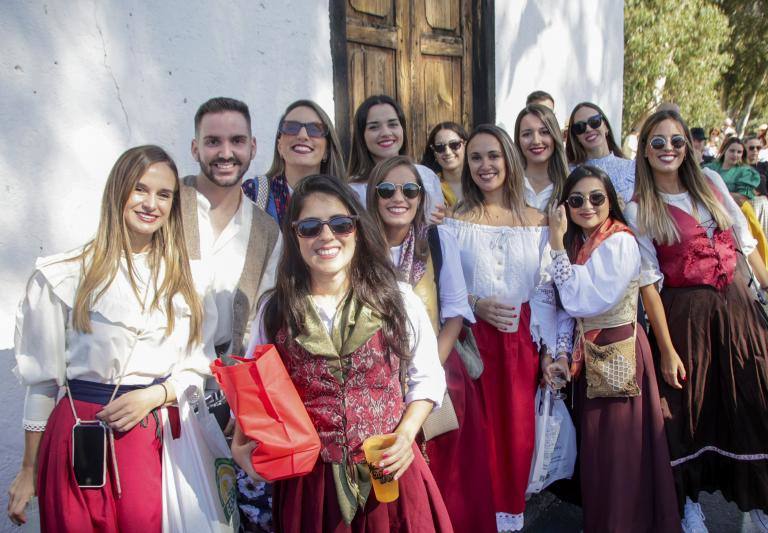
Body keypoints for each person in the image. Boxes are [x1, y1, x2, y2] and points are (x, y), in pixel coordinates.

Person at [7, 146, 217, 531]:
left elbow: (199, 367)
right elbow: (41, 381)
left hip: (145, 434)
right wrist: (27, 468)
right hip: (74, 432)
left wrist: (156, 395)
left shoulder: (187, 280)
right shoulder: (65, 274)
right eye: (140, 189)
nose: (151, 203)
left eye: (164, 194)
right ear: (118, 191)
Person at [231, 175, 453, 532]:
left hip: (391, 473)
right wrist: (242, 444)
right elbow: (256, 391)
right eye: (309, 227)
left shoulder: (396, 299)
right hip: (311, 486)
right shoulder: (275, 309)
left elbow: (426, 377)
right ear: (295, 236)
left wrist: (407, 434)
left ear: (357, 229)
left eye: (339, 224)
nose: (326, 236)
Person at [624, 109, 768, 533]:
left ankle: (761, 500)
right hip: (687, 319)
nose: (669, 149)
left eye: (677, 141)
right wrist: (665, 349)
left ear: (689, 147)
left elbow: (744, 241)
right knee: (689, 414)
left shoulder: (712, 183)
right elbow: (648, 283)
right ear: (645, 151)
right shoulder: (640, 207)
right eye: (659, 142)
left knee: (760, 400)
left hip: (739, 309)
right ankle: (689, 505)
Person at [444, 124, 571, 532]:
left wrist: (552, 351)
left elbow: (548, 294)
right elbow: (443, 288)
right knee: (472, 443)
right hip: (469, 347)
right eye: (477, 157)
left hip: (519, 348)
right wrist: (477, 304)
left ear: (509, 160)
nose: (485, 165)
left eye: (494, 155)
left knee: (515, 444)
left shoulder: (540, 222)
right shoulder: (453, 221)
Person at [544, 165, 681, 533]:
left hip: (619, 353)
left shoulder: (619, 241)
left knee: (621, 455)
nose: (586, 206)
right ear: (565, 206)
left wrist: (556, 247)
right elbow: (563, 310)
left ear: (610, 201)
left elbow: (580, 300)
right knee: (600, 456)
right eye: (576, 200)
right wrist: (559, 352)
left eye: (596, 198)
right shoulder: (579, 242)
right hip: (591, 357)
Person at [364, 155, 496, 532]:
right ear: (373, 195)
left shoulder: (437, 239)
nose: (398, 198)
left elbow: (455, 311)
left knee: (449, 480)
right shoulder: (358, 245)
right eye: (387, 189)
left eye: (410, 190)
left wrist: (424, 373)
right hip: (376, 382)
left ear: (422, 198)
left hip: (438, 372)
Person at [184, 97, 282, 359]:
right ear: (195, 149)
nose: (225, 153)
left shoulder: (267, 231)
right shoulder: (167, 205)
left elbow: (259, 321)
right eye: (213, 141)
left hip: (225, 383)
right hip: (158, 383)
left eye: (237, 141)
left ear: (252, 147)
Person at [243, 99, 347, 225]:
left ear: (327, 151)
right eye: (291, 127)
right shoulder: (253, 193)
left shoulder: (346, 200)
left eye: (315, 129)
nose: (302, 135)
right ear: (279, 146)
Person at [346, 94, 445, 222]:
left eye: (393, 124)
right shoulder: (353, 192)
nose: (386, 133)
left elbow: (435, 228)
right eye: (374, 127)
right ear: (362, 136)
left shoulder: (426, 178)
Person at [704, 136, 768, 280]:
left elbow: (742, 198)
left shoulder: (745, 171)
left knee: (744, 251)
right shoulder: (710, 168)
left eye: (739, 152)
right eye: (732, 151)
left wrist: (716, 194)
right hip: (713, 214)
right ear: (724, 150)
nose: (735, 155)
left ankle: (755, 282)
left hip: (739, 215)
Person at [565, 102, 635, 203]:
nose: (588, 129)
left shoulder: (633, 169)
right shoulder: (568, 173)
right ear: (576, 137)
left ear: (606, 126)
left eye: (594, 121)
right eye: (580, 127)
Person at [513, 103, 569, 211]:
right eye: (526, 134)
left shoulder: (571, 185)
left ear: (555, 136)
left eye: (544, 132)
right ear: (518, 140)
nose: (536, 141)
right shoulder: (508, 184)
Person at [744, 134, 768, 256]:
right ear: (745, 149)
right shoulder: (739, 167)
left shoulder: (764, 166)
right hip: (745, 206)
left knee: (764, 241)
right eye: (751, 148)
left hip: (763, 207)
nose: (755, 151)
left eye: (758, 148)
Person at [419, 122, 468, 207]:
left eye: (454, 145)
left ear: (466, 145)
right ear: (434, 151)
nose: (447, 152)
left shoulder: (480, 181)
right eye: (440, 147)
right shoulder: (428, 187)